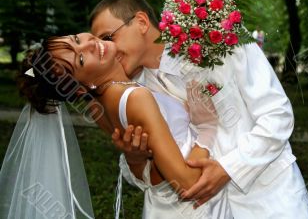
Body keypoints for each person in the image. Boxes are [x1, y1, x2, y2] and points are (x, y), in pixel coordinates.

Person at [90, 0, 308, 218]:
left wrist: (229, 169)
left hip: (270, 202)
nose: (106, 50)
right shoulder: (130, 94)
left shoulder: (216, 31)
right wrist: (135, 159)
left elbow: (277, 115)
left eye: (108, 37)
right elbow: (147, 182)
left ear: (141, 22)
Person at [8, 34, 232, 218]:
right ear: (80, 88)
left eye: (77, 40)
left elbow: (150, 163)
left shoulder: (102, 104)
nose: (89, 44)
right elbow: (188, 184)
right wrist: (207, 126)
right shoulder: (135, 97)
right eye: (81, 60)